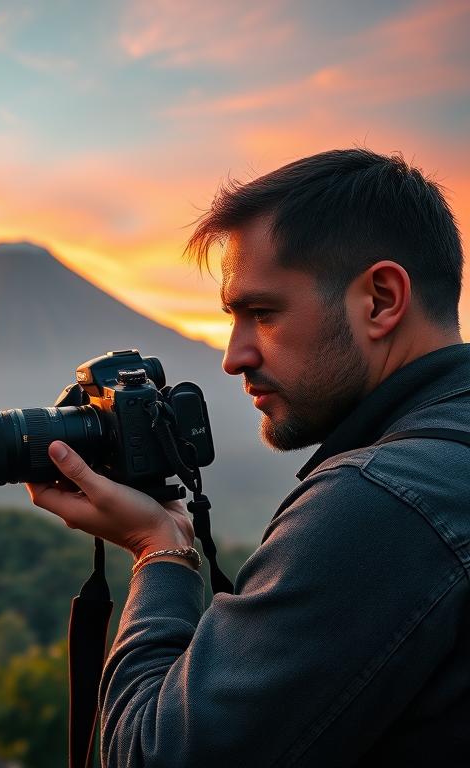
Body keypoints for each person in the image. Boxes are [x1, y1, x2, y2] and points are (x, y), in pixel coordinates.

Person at [26, 148, 469, 765]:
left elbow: (155, 756)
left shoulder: (381, 503)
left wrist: (163, 551)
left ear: (382, 299)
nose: (233, 356)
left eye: (262, 313)